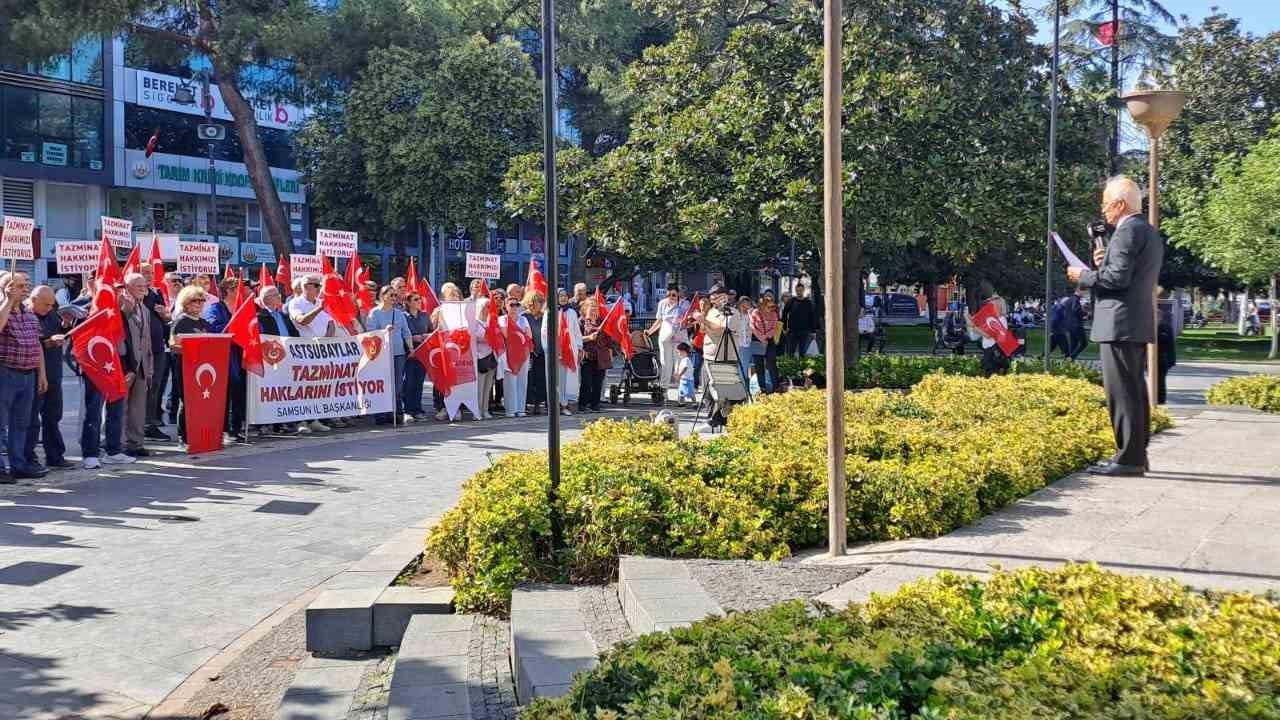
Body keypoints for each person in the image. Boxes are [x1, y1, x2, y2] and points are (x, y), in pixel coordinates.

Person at [1067, 175, 1164, 476]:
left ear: (1120, 205)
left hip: (1119, 322)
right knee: (1133, 390)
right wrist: (1102, 263)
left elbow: (1115, 280)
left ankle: (1128, 458)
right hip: (1132, 321)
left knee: (1121, 392)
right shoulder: (1146, 232)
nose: (1103, 209)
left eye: (1106, 203)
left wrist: (1081, 276)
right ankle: (1136, 454)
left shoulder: (1126, 232)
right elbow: (1121, 274)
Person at [0, 272, 49, 480]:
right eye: (19, 286)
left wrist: (42, 374)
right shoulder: (5, 310)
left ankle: (18, 464)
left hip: (28, 375)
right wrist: (8, 300)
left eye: (24, 285)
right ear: (6, 288)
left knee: (21, 424)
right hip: (6, 373)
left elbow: (36, 344)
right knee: (1, 424)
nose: (24, 289)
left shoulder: (28, 313)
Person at [25, 286, 70, 470]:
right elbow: (30, 345)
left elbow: (60, 330)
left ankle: (55, 455)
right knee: (31, 420)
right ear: (33, 300)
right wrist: (47, 343)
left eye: (52, 305)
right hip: (33, 375)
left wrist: (66, 325)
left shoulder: (51, 313)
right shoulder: (27, 316)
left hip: (54, 373)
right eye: (45, 305)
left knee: (53, 416)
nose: (49, 308)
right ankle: (28, 457)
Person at [254, 285, 302, 436]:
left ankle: (284, 422)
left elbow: (295, 335)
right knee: (269, 392)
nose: (280, 297)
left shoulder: (284, 316)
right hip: (269, 360)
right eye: (276, 295)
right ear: (267, 299)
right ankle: (267, 423)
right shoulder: (259, 317)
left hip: (286, 360)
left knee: (284, 391)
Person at [170, 285, 211, 447]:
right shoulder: (180, 322)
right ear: (186, 303)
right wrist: (192, 350)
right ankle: (183, 437)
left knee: (199, 401)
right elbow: (173, 346)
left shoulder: (204, 322)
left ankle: (199, 433)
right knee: (186, 401)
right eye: (195, 300)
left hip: (202, 368)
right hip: (185, 366)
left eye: (201, 300)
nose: (199, 304)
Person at [121, 274, 156, 457]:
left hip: (142, 365)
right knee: (121, 406)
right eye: (138, 285)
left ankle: (135, 443)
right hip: (126, 365)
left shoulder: (145, 310)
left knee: (138, 407)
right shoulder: (122, 307)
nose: (143, 288)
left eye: (144, 285)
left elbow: (147, 340)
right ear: (127, 287)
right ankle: (117, 443)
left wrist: (149, 366)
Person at [368, 285, 414, 425]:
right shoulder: (374, 313)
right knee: (382, 383)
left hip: (398, 353)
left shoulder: (399, 313)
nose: (394, 298)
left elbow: (406, 332)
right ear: (382, 296)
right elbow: (370, 334)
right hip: (381, 354)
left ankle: (396, 412)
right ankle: (380, 413)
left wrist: (411, 348)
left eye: (395, 295)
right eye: (391, 295)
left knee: (397, 384)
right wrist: (384, 331)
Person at [141, 265, 172, 441]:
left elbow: (166, 319)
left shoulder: (156, 293)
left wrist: (165, 315)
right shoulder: (134, 295)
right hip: (140, 349)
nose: (150, 276)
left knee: (155, 386)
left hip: (158, 348)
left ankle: (151, 423)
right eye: (145, 273)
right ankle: (138, 425)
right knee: (141, 388)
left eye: (151, 273)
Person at [646, 285, 688, 399]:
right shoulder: (662, 303)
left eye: (673, 295)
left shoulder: (685, 304)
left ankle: (681, 394)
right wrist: (649, 332)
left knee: (679, 365)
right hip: (665, 338)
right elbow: (659, 320)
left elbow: (688, 321)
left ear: (678, 294)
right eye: (668, 295)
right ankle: (663, 391)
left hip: (679, 339)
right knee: (665, 364)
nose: (671, 297)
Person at [545, 288, 581, 416]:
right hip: (555, 351)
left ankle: (565, 404)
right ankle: (554, 405)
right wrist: (550, 349)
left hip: (569, 351)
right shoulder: (550, 312)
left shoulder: (572, 313)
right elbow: (545, 332)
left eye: (566, 295)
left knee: (566, 380)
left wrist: (579, 347)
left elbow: (576, 332)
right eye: (560, 296)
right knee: (555, 379)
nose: (563, 298)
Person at [499, 295, 532, 417]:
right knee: (510, 381)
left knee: (522, 381)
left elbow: (529, 335)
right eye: (511, 305)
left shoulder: (523, 319)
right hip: (509, 353)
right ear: (506, 306)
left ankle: (521, 408)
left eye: (516, 304)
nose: (514, 307)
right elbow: (507, 335)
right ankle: (511, 410)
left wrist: (518, 335)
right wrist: (519, 335)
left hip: (523, 352)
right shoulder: (502, 319)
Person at [402, 291, 432, 421]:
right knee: (408, 383)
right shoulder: (403, 316)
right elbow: (401, 334)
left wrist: (425, 336)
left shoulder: (425, 316)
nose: (419, 301)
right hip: (408, 354)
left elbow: (431, 331)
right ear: (408, 302)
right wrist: (412, 338)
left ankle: (418, 409)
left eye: (420, 299)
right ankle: (407, 410)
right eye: (415, 299)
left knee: (419, 383)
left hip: (422, 353)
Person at [578, 297, 612, 412]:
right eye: (591, 308)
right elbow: (576, 338)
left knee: (598, 382)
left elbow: (608, 340)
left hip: (601, 356)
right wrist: (588, 338)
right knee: (586, 382)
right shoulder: (581, 322)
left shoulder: (603, 322)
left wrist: (610, 352)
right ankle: (583, 404)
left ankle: (595, 404)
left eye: (596, 308)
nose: (594, 311)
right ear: (585, 308)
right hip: (587, 355)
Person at [968, 296, 1014, 377]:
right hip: (989, 350)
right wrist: (971, 322)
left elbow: (989, 335)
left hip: (994, 351)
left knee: (990, 374)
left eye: (992, 305)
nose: (989, 307)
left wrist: (974, 327)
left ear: (998, 306)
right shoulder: (993, 319)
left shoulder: (1001, 319)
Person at [473, 297, 499, 420]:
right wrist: (491, 335)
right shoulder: (475, 322)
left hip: (491, 356)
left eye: (489, 306)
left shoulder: (492, 321)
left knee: (488, 386)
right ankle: (476, 411)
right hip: (480, 357)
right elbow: (481, 337)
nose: (487, 309)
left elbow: (497, 337)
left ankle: (485, 410)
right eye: (485, 306)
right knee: (480, 386)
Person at [750, 292, 781, 394]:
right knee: (759, 365)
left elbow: (774, 328)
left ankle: (776, 387)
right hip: (757, 340)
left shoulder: (774, 314)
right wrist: (761, 338)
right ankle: (762, 388)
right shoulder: (755, 312)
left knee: (772, 364)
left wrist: (766, 337)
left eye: (771, 303)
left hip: (769, 341)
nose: (770, 306)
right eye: (767, 303)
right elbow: (752, 326)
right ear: (762, 303)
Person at [289, 274, 337, 340]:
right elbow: (302, 321)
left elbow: (331, 324)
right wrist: (320, 308)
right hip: (306, 346)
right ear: (305, 286)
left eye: (320, 285)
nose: (319, 288)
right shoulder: (295, 303)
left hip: (324, 347)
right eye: (316, 285)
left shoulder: (320, 302)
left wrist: (326, 341)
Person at [524, 291, 547, 415]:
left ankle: (539, 403)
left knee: (541, 379)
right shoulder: (524, 316)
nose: (537, 305)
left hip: (542, 352)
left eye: (540, 302)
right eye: (534, 302)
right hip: (529, 353)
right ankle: (528, 403)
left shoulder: (545, 316)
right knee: (529, 378)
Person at [782, 282, 816, 357]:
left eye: (800, 290)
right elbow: (784, 314)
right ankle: (790, 367)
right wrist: (784, 327)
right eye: (797, 291)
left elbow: (812, 317)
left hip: (805, 331)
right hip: (792, 331)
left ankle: (801, 367)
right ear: (795, 291)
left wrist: (813, 331)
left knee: (802, 352)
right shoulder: (791, 301)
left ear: (803, 290)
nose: (799, 292)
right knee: (790, 351)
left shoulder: (808, 303)